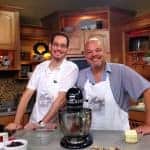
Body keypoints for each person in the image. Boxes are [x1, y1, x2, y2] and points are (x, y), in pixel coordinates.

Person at [77, 35, 150, 135]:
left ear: (105, 52)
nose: (94, 54)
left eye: (98, 50)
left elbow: (147, 90)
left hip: (119, 138)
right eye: (89, 52)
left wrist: (149, 124)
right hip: (89, 137)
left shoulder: (121, 71)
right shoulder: (80, 76)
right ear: (85, 55)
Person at [6, 32, 79, 131]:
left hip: (53, 126)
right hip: (34, 122)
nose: (59, 48)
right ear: (50, 46)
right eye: (56, 44)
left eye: (63, 46)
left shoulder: (71, 68)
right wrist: (17, 122)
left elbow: (61, 99)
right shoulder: (40, 67)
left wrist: (41, 124)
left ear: (67, 49)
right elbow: (27, 95)